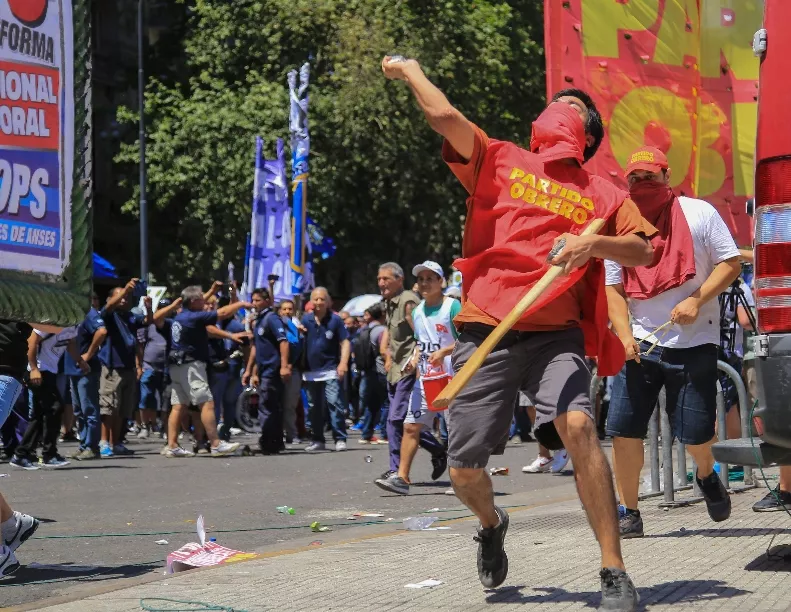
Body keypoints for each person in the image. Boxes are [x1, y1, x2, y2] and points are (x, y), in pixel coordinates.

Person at [382, 56, 656, 608]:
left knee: (578, 424)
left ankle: (613, 569)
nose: (562, 106)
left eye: (575, 106)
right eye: (558, 100)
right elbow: (444, 116)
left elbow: (644, 247)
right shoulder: (500, 158)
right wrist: (411, 70)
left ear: (587, 134)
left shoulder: (603, 194)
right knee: (463, 471)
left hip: (556, 336)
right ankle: (491, 523)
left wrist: (591, 245)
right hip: (488, 333)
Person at [604, 146, 741, 539]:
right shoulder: (621, 224)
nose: (642, 184)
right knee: (624, 431)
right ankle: (628, 511)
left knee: (696, 435)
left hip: (696, 341)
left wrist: (697, 300)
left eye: (649, 176)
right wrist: (624, 335)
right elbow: (614, 288)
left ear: (667, 177)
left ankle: (706, 473)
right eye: (635, 178)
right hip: (640, 345)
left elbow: (730, 263)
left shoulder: (700, 213)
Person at [376, 261, 456, 494]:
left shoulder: (452, 307)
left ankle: (459, 479)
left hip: (452, 378)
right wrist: (412, 360)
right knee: (411, 426)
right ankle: (402, 478)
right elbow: (421, 344)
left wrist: (443, 352)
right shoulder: (418, 311)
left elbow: (468, 340)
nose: (424, 283)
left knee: (455, 431)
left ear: (441, 282)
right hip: (427, 379)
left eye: (430, 278)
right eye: (421, 279)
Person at [164, 285, 249, 457]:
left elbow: (211, 330)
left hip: (177, 365)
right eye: (202, 298)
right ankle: (216, 444)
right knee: (207, 403)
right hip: (191, 366)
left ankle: (172, 445)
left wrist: (231, 336)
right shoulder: (194, 317)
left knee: (178, 406)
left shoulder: (180, 317)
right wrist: (241, 304)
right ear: (194, 301)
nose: (205, 301)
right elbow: (223, 313)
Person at [11, 327, 82, 469]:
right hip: (38, 371)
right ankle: (48, 454)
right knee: (55, 407)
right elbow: (32, 342)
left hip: (50, 370)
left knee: (40, 413)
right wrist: (34, 368)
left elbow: (71, 343)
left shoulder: (73, 323)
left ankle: (23, 453)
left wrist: (80, 361)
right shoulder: (52, 322)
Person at [98, 279, 152, 457]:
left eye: (127, 297)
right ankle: (104, 442)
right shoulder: (108, 315)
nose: (124, 300)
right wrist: (126, 289)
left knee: (122, 409)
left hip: (128, 367)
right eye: (120, 296)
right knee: (108, 408)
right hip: (112, 367)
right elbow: (109, 307)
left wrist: (149, 307)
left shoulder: (129, 316)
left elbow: (147, 321)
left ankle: (117, 442)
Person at [301, 287, 351, 452]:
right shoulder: (305, 320)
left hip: (330, 369)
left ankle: (339, 438)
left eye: (322, 299)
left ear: (328, 301)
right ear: (311, 301)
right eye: (315, 299)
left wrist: (343, 363)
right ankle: (317, 439)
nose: (319, 302)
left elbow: (345, 342)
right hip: (310, 371)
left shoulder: (335, 320)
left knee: (334, 403)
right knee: (314, 407)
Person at [242, 288, 289, 454]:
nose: (254, 303)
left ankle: (269, 441)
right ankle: (274, 442)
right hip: (263, 370)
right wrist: (251, 371)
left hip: (273, 369)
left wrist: (284, 366)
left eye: (258, 300)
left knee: (267, 406)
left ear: (267, 300)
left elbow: (283, 342)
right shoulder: (259, 320)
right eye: (253, 300)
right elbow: (257, 348)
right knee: (270, 406)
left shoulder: (272, 319)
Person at [66, 303, 108, 461]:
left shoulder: (87, 311)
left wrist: (88, 355)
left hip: (86, 369)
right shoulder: (71, 310)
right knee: (79, 410)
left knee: (89, 409)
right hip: (73, 368)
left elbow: (102, 331)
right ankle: (84, 445)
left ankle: (92, 447)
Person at [136, 298, 179, 439]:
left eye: (166, 307)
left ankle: (162, 427)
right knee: (145, 398)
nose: (164, 310)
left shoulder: (172, 324)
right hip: (148, 366)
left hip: (166, 368)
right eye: (161, 307)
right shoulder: (150, 325)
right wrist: (139, 365)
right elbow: (140, 346)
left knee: (164, 401)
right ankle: (144, 426)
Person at [356, 303, 388, 444]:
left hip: (368, 370)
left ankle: (366, 434)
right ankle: (384, 434)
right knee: (387, 402)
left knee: (371, 403)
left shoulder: (365, 329)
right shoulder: (382, 330)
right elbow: (383, 350)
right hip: (381, 370)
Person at [277, 299, 304, 445]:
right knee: (276, 404)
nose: (287, 312)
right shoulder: (275, 326)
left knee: (290, 405)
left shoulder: (297, 328)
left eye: (290, 309)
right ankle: (277, 434)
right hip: (277, 371)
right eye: (284, 309)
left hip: (293, 371)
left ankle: (291, 434)